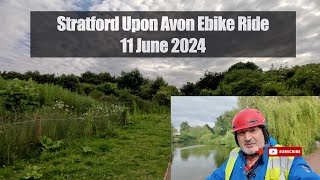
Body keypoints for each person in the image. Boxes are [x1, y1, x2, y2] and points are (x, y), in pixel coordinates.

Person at [206, 108, 320, 180]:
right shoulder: (234, 155)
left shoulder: (287, 155)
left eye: (253, 130)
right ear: (236, 138)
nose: (247, 138)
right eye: (241, 133)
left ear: (264, 133)